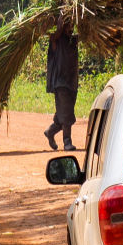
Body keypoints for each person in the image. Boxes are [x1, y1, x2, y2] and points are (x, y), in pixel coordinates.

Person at [44, 16, 78, 151]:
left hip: (72, 81)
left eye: (71, 25)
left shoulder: (73, 40)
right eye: (68, 25)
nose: (70, 27)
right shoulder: (56, 39)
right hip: (60, 82)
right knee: (67, 113)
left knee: (64, 112)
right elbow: (55, 34)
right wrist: (60, 20)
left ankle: (51, 132)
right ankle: (67, 142)